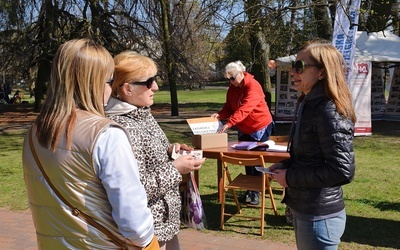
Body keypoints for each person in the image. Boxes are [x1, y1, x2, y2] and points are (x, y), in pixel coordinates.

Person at [22, 39, 157, 249]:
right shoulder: (107, 135)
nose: (112, 89)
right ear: (92, 82)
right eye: (109, 81)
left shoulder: (33, 133)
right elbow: (136, 226)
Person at [105, 51, 206, 250]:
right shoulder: (121, 129)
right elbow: (135, 189)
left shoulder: (142, 113)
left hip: (165, 226)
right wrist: (176, 167)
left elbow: (149, 155)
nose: (156, 87)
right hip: (147, 232)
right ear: (128, 89)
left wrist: (171, 151)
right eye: (149, 81)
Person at [269, 40, 356, 250]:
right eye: (293, 66)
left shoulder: (328, 110)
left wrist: (290, 177)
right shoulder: (309, 103)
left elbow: (342, 170)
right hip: (306, 210)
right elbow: (311, 156)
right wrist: (286, 166)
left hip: (319, 216)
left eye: (299, 66)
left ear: (322, 72)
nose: (292, 72)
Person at [211, 60, 274, 205]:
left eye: (233, 78)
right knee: (247, 159)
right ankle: (249, 190)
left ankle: (256, 192)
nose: (231, 81)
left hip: (259, 126)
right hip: (244, 127)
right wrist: (220, 115)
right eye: (229, 79)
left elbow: (245, 109)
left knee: (257, 159)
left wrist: (229, 123)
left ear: (241, 72)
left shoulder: (253, 86)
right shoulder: (232, 88)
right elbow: (229, 107)